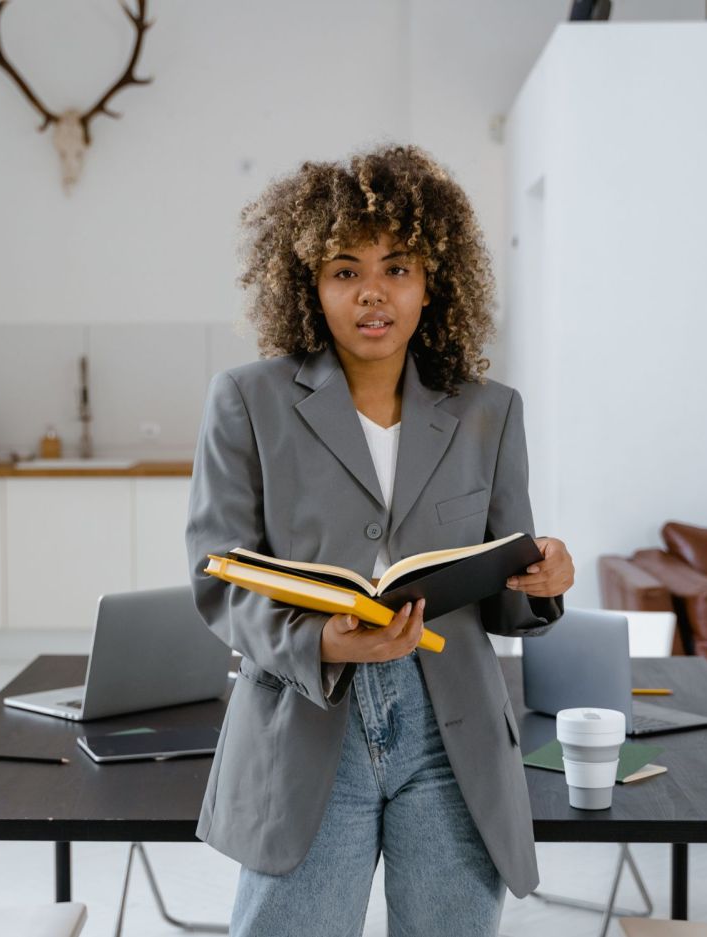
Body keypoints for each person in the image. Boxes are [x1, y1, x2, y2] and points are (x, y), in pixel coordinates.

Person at [185, 144, 574, 937]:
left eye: (399, 267)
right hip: (305, 718)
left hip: (451, 732)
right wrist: (320, 643)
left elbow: (502, 585)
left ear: (434, 282)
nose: (373, 291)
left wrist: (543, 579)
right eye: (344, 269)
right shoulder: (246, 400)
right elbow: (218, 577)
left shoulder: (488, 411)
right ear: (309, 285)